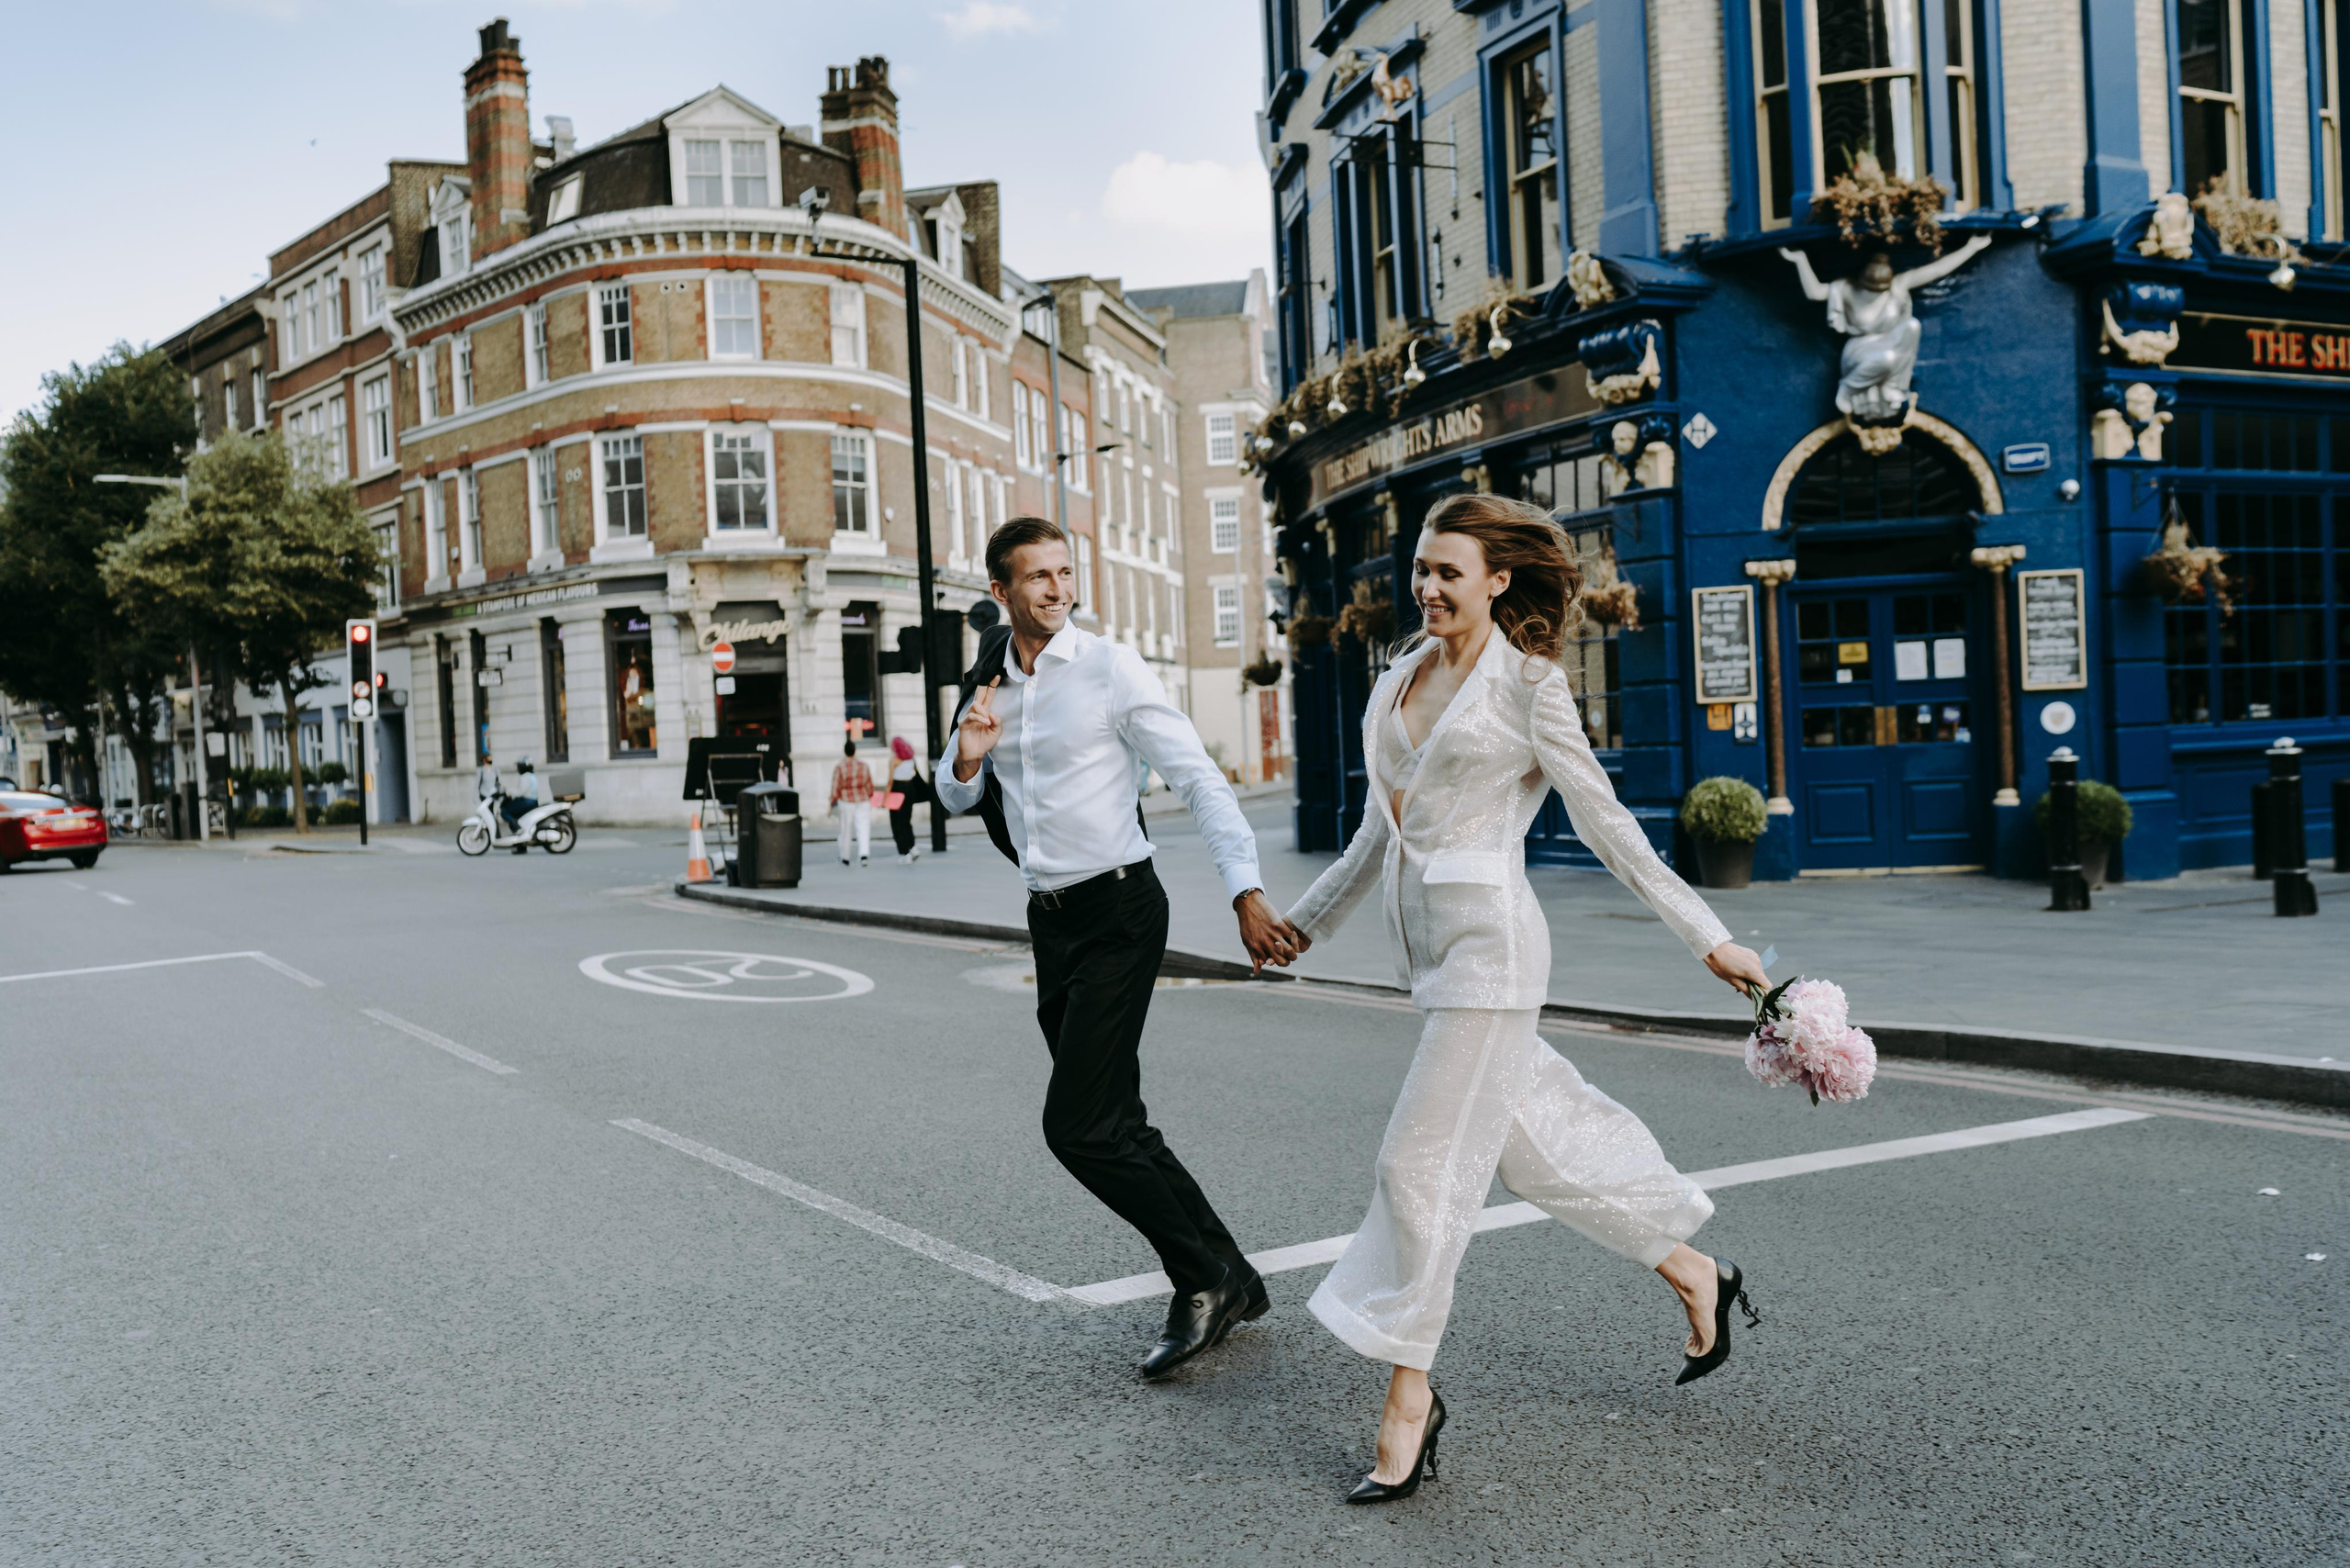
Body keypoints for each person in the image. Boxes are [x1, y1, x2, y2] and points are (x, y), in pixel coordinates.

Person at [1281, 493, 1772, 1503]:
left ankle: (1408, 1397)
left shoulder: (1529, 686)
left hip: (1494, 955)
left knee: (1417, 1165)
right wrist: (1302, 925)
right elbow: (1381, 832)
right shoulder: (1396, 680)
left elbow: (1609, 828)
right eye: (1420, 570)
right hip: (1426, 955)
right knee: (1532, 1143)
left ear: (1497, 580)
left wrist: (1708, 936)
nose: (1426, 588)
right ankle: (1692, 1268)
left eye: (1447, 572)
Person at [938, 517, 1303, 1379]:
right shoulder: (988, 679)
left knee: (1077, 1127)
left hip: (1121, 911)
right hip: (1050, 920)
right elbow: (955, 802)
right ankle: (1235, 1275)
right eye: (1040, 578)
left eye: (1066, 573)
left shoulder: (1108, 667)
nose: (1059, 590)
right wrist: (967, 757)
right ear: (1001, 591)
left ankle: (1200, 1279)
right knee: (1118, 1120)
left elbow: (1198, 779)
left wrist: (1245, 891)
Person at [829, 741, 873, 867]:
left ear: (845, 751)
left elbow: (835, 786)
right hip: (862, 799)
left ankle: (845, 856)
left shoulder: (840, 767)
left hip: (846, 800)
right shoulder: (863, 765)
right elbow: (869, 783)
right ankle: (864, 854)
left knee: (846, 829)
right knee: (863, 826)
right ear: (855, 751)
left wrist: (833, 800)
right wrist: (869, 794)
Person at [886, 736, 926, 861]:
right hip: (910, 790)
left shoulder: (894, 761)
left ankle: (904, 853)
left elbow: (890, 782)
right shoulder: (911, 759)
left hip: (897, 790)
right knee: (907, 821)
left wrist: (884, 800)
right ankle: (913, 847)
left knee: (896, 823)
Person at [500, 757, 540, 852]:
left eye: (519, 766)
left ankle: (517, 829)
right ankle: (521, 845)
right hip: (532, 802)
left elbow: (520, 792)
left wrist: (507, 791)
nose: (518, 769)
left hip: (526, 801)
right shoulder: (531, 776)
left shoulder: (525, 777)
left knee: (504, 811)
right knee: (520, 820)